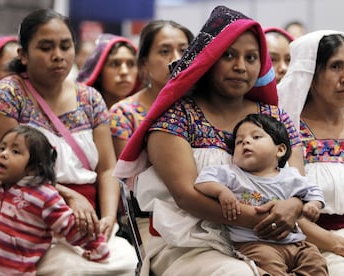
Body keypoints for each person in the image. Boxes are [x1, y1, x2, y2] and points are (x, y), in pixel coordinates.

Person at [114, 5, 306, 275]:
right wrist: (259, 219)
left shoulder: (275, 117)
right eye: (228, 55)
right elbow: (186, 196)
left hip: (270, 239)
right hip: (190, 243)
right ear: (209, 58)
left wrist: (294, 205)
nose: (240, 67)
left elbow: (297, 181)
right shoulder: (176, 116)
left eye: (251, 58)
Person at [0, 9, 137, 275]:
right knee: (68, 268)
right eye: (45, 47)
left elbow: (107, 168)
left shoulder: (91, 99)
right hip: (24, 217)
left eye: (65, 46)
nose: (58, 55)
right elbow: (10, 170)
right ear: (23, 55)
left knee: (126, 260)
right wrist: (70, 197)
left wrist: (107, 218)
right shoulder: (6, 95)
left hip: (86, 221)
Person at [278, 30, 344, 275]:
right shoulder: (289, 131)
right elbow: (288, 211)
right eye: (335, 66)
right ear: (310, 75)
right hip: (324, 245)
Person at [0, 125, 110, 275]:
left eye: (15, 151)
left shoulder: (45, 196)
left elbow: (70, 227)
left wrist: (97, 246)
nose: (3, 155)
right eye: (1, 148)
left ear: (34, 168)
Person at [194, 113, 327, 275]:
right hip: (255, 244)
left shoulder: (290, 176)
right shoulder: (232, 174)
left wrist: (313, 204)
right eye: (239, 142)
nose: (246, 142)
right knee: (269, 267)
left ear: (280, 149)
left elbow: (313, 190)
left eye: (256, 137)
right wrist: (222, 191)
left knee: (316, 262)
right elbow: (202, 181)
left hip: (296, 242)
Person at [109, 20, 194, 159]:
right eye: (165, 51)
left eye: (184, 51)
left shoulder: (202, 106)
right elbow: (127, 175)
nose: (177, 59)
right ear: (144, 63)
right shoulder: (124, 114)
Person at [77, 33, 139, 109]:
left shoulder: (146, 114)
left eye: (131, 64)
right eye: (115, 64)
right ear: (98, 71)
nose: (124, 71)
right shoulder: (83, 112)